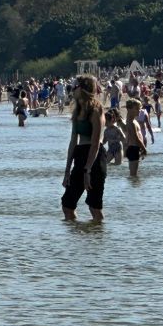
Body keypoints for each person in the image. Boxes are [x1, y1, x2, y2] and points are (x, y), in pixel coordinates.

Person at [62, 75, 106, 222]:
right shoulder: (77, 110)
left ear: (83, 89)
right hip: (80, 155)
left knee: (94, 206)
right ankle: (78, 240)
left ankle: (97, 240)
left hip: (95, 158)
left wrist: (87, 170)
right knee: (67, 204)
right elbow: (73, 141)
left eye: (74, 87)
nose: (71, 90)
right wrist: (67, 170)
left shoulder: (96, 110)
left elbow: (95, 143)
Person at [125, 98, 147, 177]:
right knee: (134, 175)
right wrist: (144, 148)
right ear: (130, 110)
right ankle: (133, 188)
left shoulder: (132, 120)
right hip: (133, 148)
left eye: (139, 109)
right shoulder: (131, 122)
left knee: (133, 175)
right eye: (137, 109)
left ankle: (132, 188)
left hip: (134, 148)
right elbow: (136, 138)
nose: (139, 111)